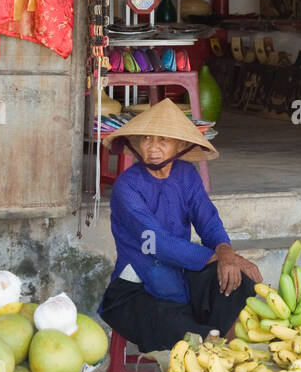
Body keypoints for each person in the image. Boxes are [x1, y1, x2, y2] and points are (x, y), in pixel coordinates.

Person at [97, 98, 262, 352]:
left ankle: (225, 356)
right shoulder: (126, 186)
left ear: (180, 145)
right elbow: (156, 242)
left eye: (163, 140)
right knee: (177, 325)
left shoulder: (187, 176)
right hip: (136, 288)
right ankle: (214, 353)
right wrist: (218, 257)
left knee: (237, 283)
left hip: (182, 275)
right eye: (147, 139)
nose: (153, 147)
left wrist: (226, 251)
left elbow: (208, 220)